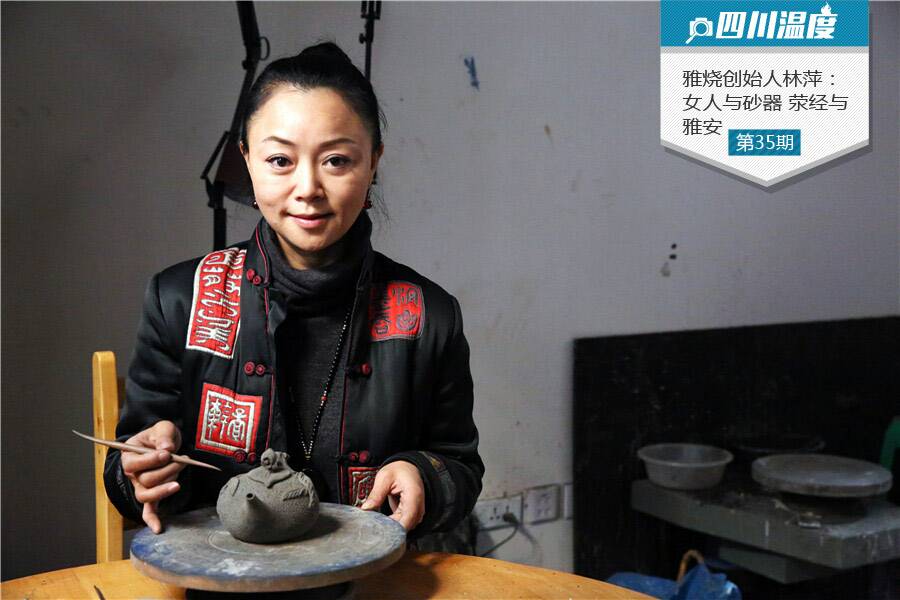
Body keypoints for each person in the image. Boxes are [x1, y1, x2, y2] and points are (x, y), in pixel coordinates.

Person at [103, 41, 484, 540]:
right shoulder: (181, 299)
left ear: (373, 162)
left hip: (372, 574)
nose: (308, 188)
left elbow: (458, 464)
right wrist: (141, 471)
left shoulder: (427, 315)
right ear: (247, 159)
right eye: (280, 159)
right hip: (222, 572)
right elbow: (127, 467)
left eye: (336, 161)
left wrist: (422, 476)